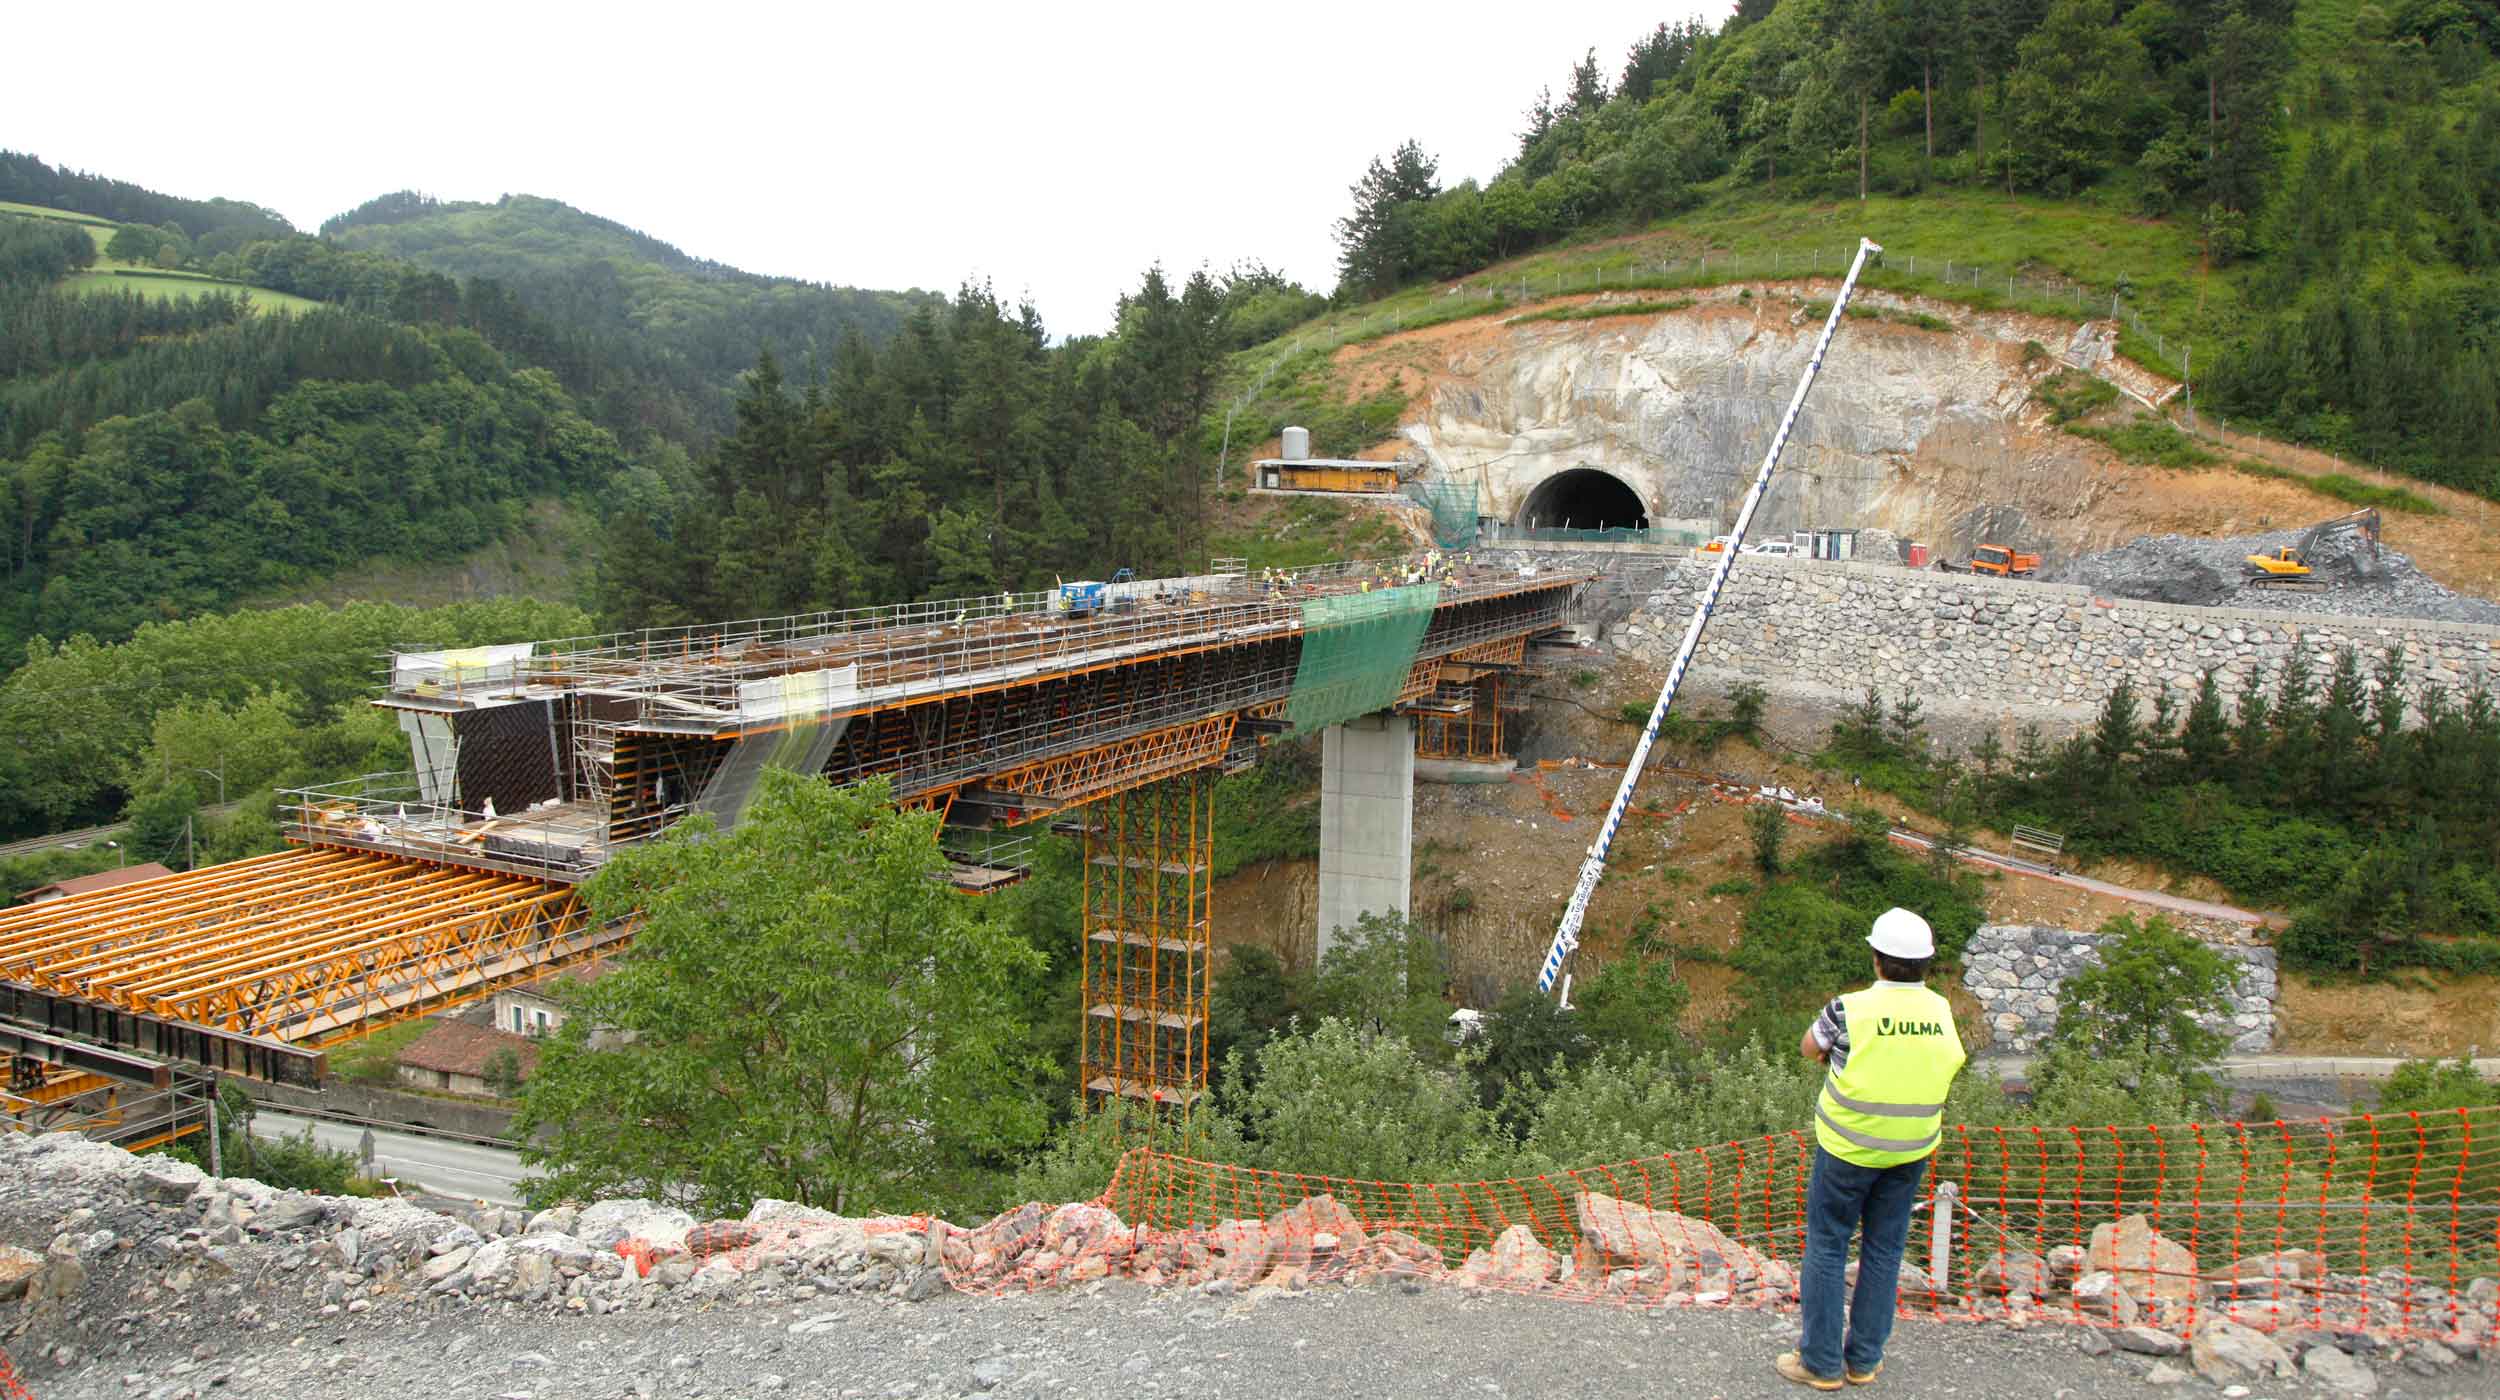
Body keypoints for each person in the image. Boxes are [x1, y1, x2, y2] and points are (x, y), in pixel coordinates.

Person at [1777, 906, 1966, 1391]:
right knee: (1884, 1249)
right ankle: (1863, 1360)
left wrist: (1831, 1054)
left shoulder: (1849, 1008)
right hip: (1910, 1152)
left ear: (1877, 959)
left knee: (1827, 1245)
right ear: (1925, 963)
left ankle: (1820, 1363)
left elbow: (1807, 1047)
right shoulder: (1940, 1010)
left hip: (1846, 1149)